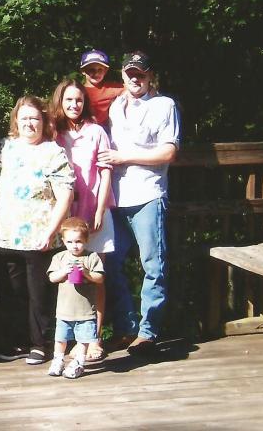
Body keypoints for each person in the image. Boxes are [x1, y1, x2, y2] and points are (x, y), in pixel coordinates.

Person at [98, 51, 180, 355]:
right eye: (130, 73)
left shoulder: (164, 105)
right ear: (122, 75)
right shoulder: (116, 105)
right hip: (116, 198)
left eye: (140, 73)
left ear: (149, 76)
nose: (135, 78)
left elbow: (168, 152)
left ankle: (148, 333)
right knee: (109, 264)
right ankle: (126, 328)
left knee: (153, 266)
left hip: (148, 195)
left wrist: (125, 157)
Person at [0, 95, 75, 366]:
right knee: (13, 293)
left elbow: (65, 196)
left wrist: (51, 231)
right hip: (6, 234)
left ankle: (40, 344)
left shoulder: (53, 152)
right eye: (24, 118)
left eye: (35, 118)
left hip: (40, 237)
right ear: (16, 121)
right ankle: (17, 342)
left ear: (44, 121)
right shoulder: (4, 148)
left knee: (39, 294)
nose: (29, 123)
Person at [51, 78, 115, 362]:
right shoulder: (54, 133)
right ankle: (69, 340)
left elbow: (105, 171)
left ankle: (94, 338)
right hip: (66, 216)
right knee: (68, 275)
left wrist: (100, 210)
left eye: (78, 99)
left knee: (95, 275)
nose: (74, 104)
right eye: (68, 100)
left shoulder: (97, 132)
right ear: (60, 102)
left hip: (94, 211)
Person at [46, 217, 105, 379]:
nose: (74, 245)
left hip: (85, 312)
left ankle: (78, 362)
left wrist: (86, 272)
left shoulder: (91, 257)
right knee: (60, 338)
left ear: (86, 240)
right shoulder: (59, 258)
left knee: (83, 340)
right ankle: (58, 360)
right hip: (64, 310)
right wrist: (63, 271)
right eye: (70, 242)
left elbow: (100, 278)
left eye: (78, 241)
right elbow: (52, 278)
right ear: (63, 241)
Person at [79, 49, 123, 129]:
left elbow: (130, 89)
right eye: (91, 70)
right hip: (84, 128)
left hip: (105, 130)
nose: (96, 73)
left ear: (105, 71)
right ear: (83, 71)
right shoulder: (79, 91)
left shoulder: (111, 87)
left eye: (100, 70)